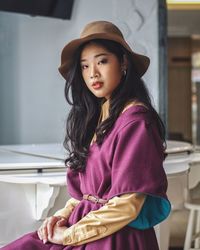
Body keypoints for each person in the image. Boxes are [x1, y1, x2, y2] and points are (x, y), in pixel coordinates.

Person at [1, 20, 171, 250]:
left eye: (102, 61)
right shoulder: (99, 117)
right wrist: (60, 217)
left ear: (123, 63)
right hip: (85, 225)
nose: (93, 74)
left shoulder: (136, 122)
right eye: (84, 66)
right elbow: (86, 196)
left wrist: (69, 235)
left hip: (115, 236)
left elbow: (129, 204)